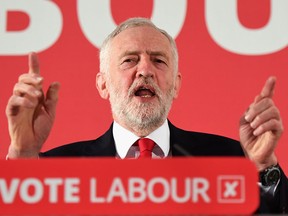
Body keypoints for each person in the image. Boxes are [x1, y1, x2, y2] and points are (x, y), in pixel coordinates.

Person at [5, 17, 288, 213]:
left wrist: (264, 166)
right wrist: (22, 153)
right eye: (129, 60)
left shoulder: (230, 160)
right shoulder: (57, 171)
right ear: (103, 84)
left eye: (158, 60)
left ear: (176, 85)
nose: (145, 70)